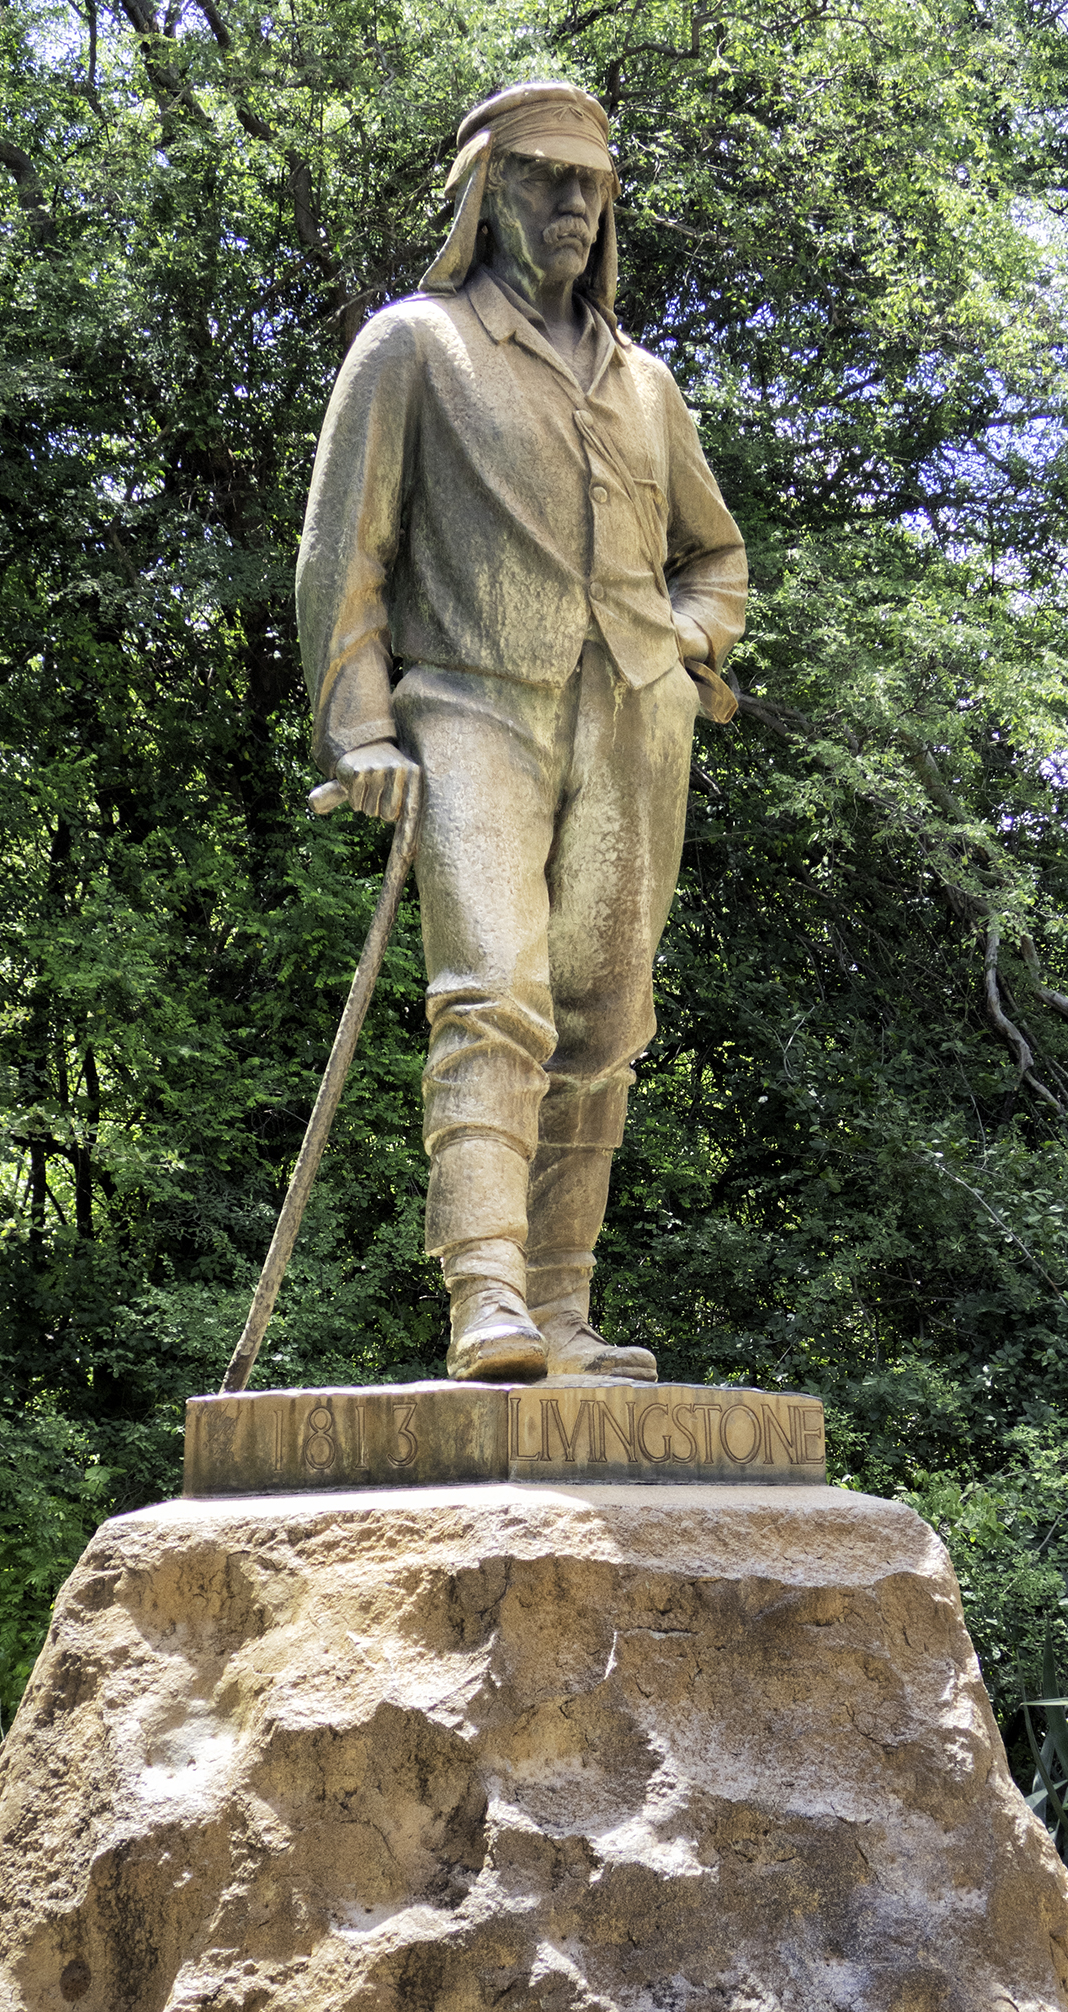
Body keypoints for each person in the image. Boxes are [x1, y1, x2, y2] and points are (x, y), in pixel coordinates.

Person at [296, 80, 746, 1382]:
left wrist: (681, 647)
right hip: (474, 701)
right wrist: (361, 730)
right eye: (545, 176)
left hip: (633, 723)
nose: (569, 202)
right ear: (486, 188)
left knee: (609, 1014)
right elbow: (345, 557)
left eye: (590, 184)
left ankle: (560, 1307)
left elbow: (715, 559)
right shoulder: (414, 346)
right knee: (496, 992)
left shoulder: (648, 386)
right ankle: (483, 1292)